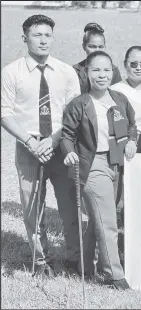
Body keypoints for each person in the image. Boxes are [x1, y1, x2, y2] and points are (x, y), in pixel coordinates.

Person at [1, 14, 81, 277]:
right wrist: (31, 142)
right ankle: (40, 260)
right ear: (25, 38)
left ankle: (74, 258)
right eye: (37, 35)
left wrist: (52, 140)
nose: (43, 40)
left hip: (61, 146)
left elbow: (73, 114)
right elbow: (4, 113)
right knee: (32, 206)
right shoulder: (12, 72)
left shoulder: (66, 72)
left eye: (48, 35)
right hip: (28, 147)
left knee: (68, 205)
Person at [61, 51, 137, 290]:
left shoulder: (120, 99)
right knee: (107, 222)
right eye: (96, 70)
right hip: (92, 165)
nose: (101, 75)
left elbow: (133, 125)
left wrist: (133, 140)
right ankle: (114, 275)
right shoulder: (79, 104)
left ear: (113, 71)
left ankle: (82, 265)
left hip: (117, 163)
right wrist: (68, 151)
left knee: (99, 218)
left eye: (106, 70)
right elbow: (67, 135)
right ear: (87, 73)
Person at [73, 23, 122, 94]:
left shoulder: (113, 70)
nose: (97, 50)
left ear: (105, 47)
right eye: (92, 47)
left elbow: (118, 96)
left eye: (100, 47)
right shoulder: (75, 71)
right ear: (84, 46)